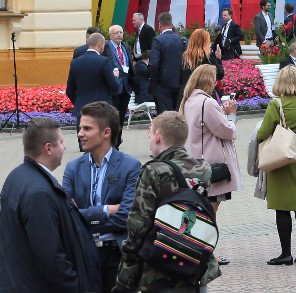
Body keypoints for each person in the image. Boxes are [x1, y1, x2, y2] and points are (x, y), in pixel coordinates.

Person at [115, 111, 220, 292]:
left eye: (149, 135)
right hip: (193, 263)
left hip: (159, 266)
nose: (149, 140)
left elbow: (138, 226)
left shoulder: (153, 171)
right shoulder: (203, 168)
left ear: (157, 136)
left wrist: (126, 277)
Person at [0, 117, 101, 293]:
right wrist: (75, 285)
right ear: (48, 148)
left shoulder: (17, 176)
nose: (64, 147)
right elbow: (50, 256)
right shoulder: (40, 193)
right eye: (61, 142)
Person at [63, 102, 142, 292]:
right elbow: (65, 215)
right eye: (80, 128)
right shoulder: (73, 168)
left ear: (106, 132)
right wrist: (106, 210)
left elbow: (126, 217)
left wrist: (83, 217)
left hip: (117, 253)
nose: (80, 133)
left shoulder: (131, 167)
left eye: (87, 128)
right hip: (83, 252)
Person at [257, 66, 296, 265]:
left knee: (282, 207)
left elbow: (263, 132)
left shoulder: (277, 104)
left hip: (282, 159)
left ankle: (286, 253)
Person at [181, 64, 240, 266]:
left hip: (196, 162)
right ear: (210, 82)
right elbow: (226, 131)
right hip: (213, 166)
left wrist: (220, 112)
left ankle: (197, 250)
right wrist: (231, 115)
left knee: (201, 211)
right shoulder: (207, 102)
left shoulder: (189, 100)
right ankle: (205, 254)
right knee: (208, 213)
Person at [66, 32, 120, 120]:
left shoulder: (75, 62)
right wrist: (116, 76)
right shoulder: (104, 61)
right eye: (104, 44)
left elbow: (69, 91)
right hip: (101, 111)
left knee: (83, 129)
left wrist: (79, 103)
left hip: (82, 111)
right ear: (99, 44)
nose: (104, 48)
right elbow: (114, 87)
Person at [149, 12, 186, 113]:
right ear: (171, 23)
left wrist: (153, 82)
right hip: (179, 83)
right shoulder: (181, 40)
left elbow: (154, 64)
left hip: (162, 84)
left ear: (159, 24)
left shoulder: (158, 40)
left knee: (165, 116)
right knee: (177, 115)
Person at [105, 24, 133, 140]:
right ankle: (111, 141)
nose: (119, 35)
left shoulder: (125, 46)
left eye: (121, 32)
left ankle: (118, 141)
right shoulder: (106, 47)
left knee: (121, 117)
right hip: (113, 87)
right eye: (116, 33)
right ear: (110, 35)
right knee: (112, 116)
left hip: (125, 87)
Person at [180, 28, 225, 93]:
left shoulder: (184, 57)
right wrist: (218, 59)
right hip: (202, 92)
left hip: (186, 92)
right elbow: (220, 75)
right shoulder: (208, 57)